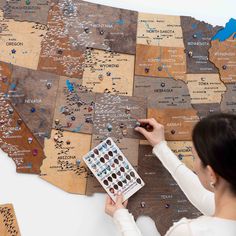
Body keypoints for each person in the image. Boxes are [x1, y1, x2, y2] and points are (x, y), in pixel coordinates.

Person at [105, 113, 236, 235]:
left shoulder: (190, 232)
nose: (194, 165)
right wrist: (161, 147)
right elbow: (203, 197)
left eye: (194, 157)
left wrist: (120, 215)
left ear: (211, 174)